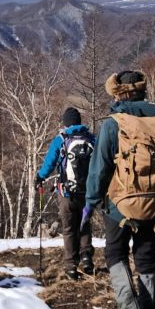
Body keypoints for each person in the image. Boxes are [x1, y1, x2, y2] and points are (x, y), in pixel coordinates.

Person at [83, 70, 155, 309]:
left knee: (115, 254)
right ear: (143, 92)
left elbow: (100, 168)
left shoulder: (113, 124)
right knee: (147, 258)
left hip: (120, 205)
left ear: (118, 94)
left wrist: (91, 202)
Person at [35, 107, 95, 280]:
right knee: (84, 224)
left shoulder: (61, 140)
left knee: (69, 229)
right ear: (79, 121)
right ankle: (86, 258)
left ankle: (70, 267)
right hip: (87, 193)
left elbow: (50, 163)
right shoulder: (91, 138)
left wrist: (40, 177)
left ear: (65, 122)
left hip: (67, 193)